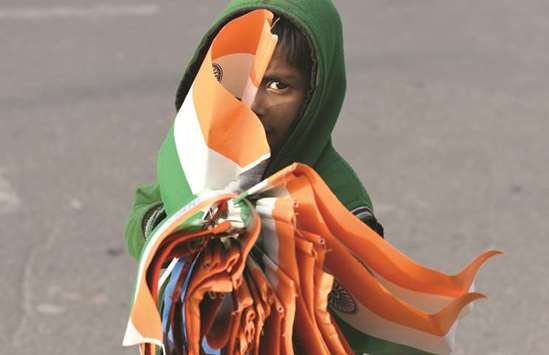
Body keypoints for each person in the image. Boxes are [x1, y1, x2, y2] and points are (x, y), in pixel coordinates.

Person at [124, 1, 432, 353]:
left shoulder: (333, 194)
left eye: (277, 85)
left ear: (315, 95)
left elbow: (360, 307)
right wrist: (171, 232)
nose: (252, 102)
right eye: (237, 78)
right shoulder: (193, 159)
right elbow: (148, 208)